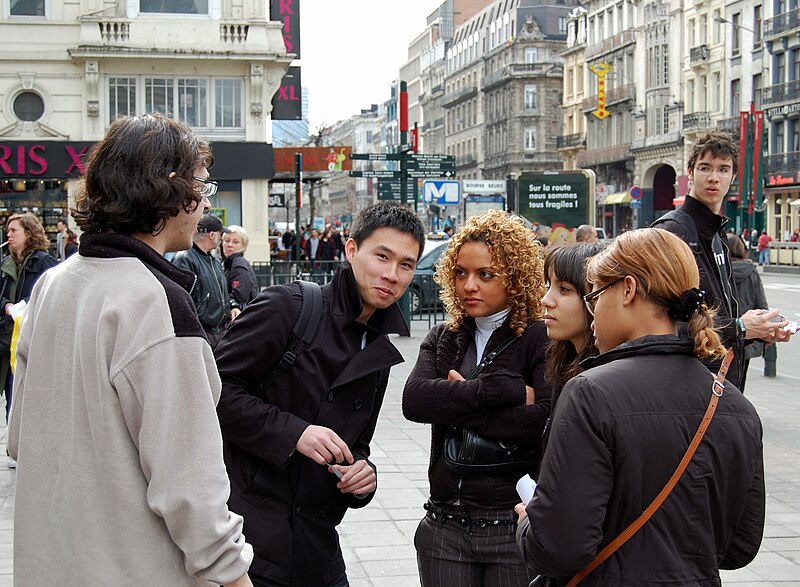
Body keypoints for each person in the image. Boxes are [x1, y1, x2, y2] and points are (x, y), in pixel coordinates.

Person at [7, 114, 253, 586]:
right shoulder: (156, 299)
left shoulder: (52, 284)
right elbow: (189, 481)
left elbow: (20, 436)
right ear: (169, 187)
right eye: (203, 184)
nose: (205, 200)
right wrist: (233, 575)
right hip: (137, 568)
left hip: (50, 562)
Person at [516, 228, 765, 585]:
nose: (594, 310)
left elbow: (558, 546)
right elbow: (741, 546)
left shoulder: (590, 392)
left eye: (596, 295)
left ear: (628, 290)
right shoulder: (737, 406)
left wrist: (528, 523)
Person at [215, 202, 425, 587]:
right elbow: (215, 391)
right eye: (382, 256)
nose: (392, 275)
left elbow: (356, 445)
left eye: (406, 265)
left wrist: (363, 477)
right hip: (250, 539)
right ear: (350, 250)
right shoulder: (289, 305)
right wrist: (295, 433)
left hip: (318, 549)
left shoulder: (377, 350)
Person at [402, 210, 552, 587]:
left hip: (512, 524)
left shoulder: (540, 337)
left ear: (515, 277)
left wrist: (456, 401)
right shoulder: (445, 336)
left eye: (486, 274)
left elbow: (545, 421)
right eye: (460, 272)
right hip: (445, 526)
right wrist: (501, 392)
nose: (469, 285)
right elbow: (415, 401)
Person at [652, 131, 791, 391]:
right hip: (690, 380)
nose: (714, 177)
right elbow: (665, 319)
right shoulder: (674, 231)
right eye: (705, 168)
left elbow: (719, 312)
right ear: (690, 172)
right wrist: (739, 327)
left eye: (723, 169)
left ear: (733, 177)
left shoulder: (718, 233)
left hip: (720, 375)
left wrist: (758, 331)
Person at [0, 213, 57, 437]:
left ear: (29, 233)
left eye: (14, 230)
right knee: (10, 392)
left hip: (28, 338)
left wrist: (24, 305)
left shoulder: (43, 262)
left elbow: (50, 295)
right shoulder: (7, 263)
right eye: (8, 231)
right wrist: (6, 305)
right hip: (6, 336)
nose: (9, 234)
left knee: (19, 393)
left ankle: (21, 443)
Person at [541, 242, 604, 415]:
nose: (545, 300)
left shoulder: (601, 382)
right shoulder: (563, 359)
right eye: (548, 286)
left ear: (594, 296)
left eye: (564, 289)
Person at [172, 213, 232, 347]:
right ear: (212, 235)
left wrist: (232, 305)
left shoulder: (214, 259)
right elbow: (180, 300)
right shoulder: (185, 259)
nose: (222, 238)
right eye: (220, 234)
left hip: (220, 332)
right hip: (202, 334)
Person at [728, 234, 769, 390]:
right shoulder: (751, 271)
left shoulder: (719, 270)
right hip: (747, 337)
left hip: (723, 335)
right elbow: (761, 305)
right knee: (739, 386)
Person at [222, 225, 259, 321]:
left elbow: (240, 296)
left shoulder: (238, 263)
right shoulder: (229, 264)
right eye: (227, 240)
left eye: (236, 242)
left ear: (244, 247)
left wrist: (233, 305)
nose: (230, 245)